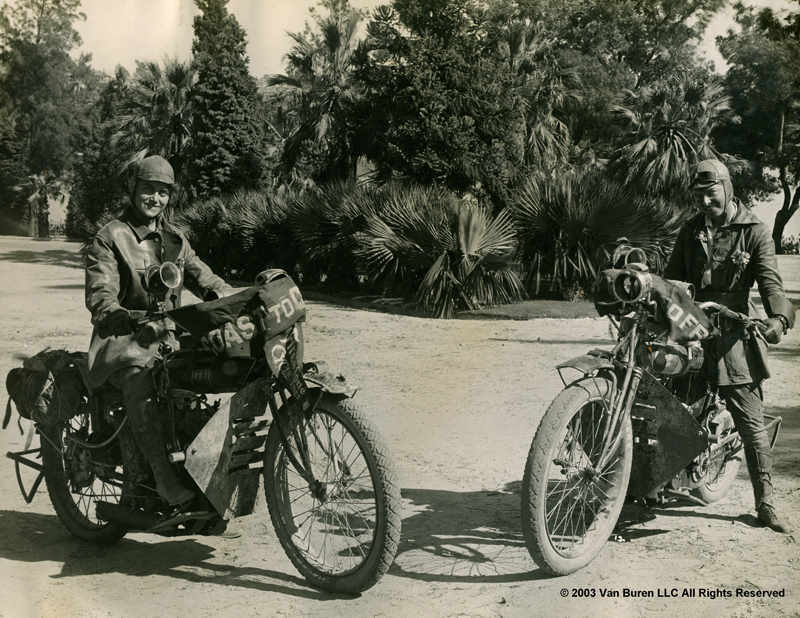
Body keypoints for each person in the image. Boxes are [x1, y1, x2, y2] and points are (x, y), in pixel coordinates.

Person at [85, 156, 231, 507]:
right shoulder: (110, 237)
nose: (155, 199)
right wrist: (115, 313)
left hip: (171, 336)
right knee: (139, 379)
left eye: (163, 192)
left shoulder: (176, 239)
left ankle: (206, 467)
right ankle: (163, 479)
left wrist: (228, 298)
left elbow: (204, 278)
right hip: (123, 339)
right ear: (132, 189)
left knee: (219, 368)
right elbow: (101, 293)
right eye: (148, 189)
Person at [663, 158, 796, 533]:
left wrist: (778, 318)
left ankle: (766, 502)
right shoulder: (690, 230)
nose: (705, 202)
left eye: (711, 193)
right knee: (667, 398)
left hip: (733, 330)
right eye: (699, 196)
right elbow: (673, 278)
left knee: (749, 417)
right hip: (691, 323)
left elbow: (771, 283)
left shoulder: (754, 230)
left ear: (728, 188)